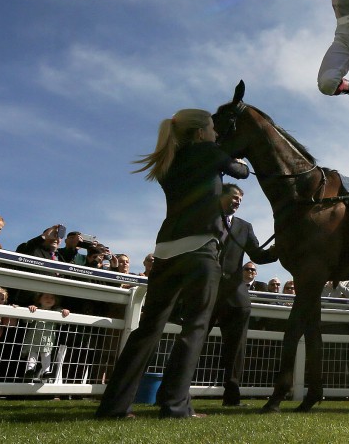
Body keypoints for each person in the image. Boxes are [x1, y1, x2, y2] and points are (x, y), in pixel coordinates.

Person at [96, 108, 249, 420]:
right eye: (211, 128)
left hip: (165, 252)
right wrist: (241, 161)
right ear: (199, 133)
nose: (216, 133)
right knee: (194, 326)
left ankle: (114, 406)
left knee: (147, 329)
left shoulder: (168, 162)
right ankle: (175, 405)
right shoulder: (209, 152)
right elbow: (241, 172)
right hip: (200, 250)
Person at [206, 183, 277, 407]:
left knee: (236, 349)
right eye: (234, 197)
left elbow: (258, 254)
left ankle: (232, 396)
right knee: (193, 342)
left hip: (236, 298)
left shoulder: (244, 227)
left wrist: (280, 246)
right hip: (207, 292)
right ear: (221, 196)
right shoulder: (204, 218)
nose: (237, 202)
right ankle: (173, 391)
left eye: (240, 200)